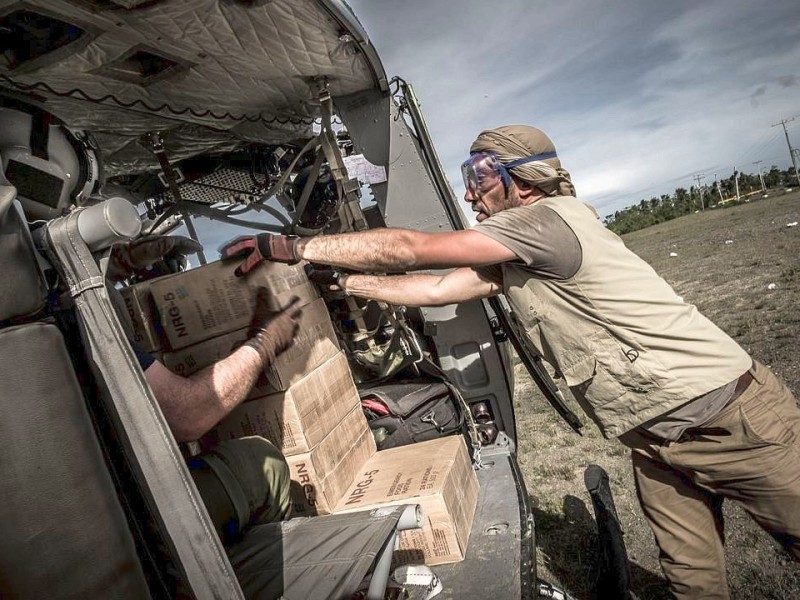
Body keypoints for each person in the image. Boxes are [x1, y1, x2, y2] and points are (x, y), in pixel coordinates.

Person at [221, 124, 800, 599]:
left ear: (523, 180)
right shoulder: (519, 250)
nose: (471, 194)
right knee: (694, 582)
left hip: (732, 418)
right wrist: (347, 282)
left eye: (480, 178)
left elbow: (414, 250)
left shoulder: (545, 223)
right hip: (655, 437)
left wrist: (292, 247)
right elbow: (436, 287)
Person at [0, 96, 297, 543]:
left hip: (39, 526)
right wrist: (267, 340)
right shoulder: (60, 314)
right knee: (265, 465)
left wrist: (123, 264)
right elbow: (187, 415)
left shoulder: (21, 299)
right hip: (118, 527)